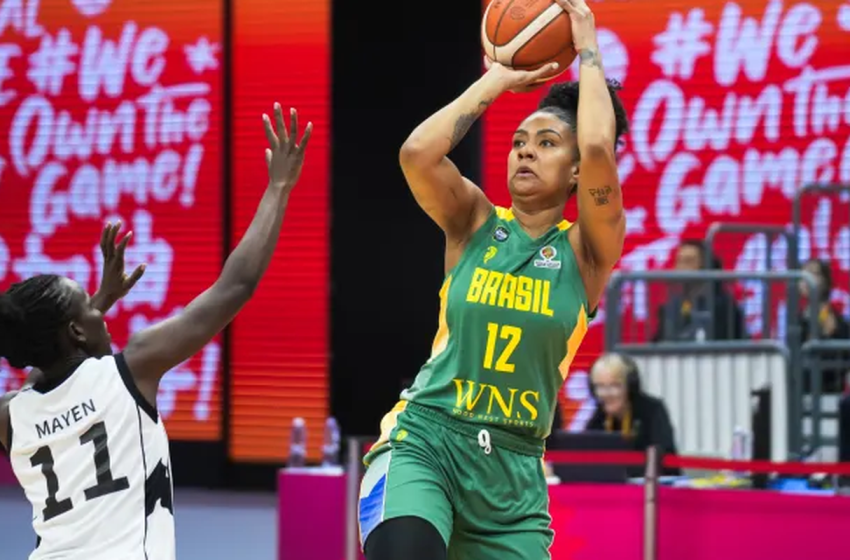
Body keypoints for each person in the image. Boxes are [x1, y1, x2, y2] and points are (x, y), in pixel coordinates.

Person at [357, 1, 629, 558]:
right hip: (426, 441)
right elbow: (417, 154)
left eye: (547, 143)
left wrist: (586, 46)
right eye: (519, 141)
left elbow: (599, 145)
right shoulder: (474, 222)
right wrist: (498, 79)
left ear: (578, 172)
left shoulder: (586, 253)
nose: (526, 150)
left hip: (513, 476)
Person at [0, 103, 312, 560]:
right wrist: (279, 187)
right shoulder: (130, 371)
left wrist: (96, 303)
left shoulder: (11, 414)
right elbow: (235, 287)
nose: (101, 311)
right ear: (76, 332)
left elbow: (41, 372)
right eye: (89, 304)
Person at [584, 353, 680, 477]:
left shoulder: (652, 410)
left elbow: (662, 459)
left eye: (614, 385)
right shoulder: (599, 416)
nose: (606, 394)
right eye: (600, 386)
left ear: (630, 386)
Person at [653, 240, 746, 342]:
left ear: (705, 266)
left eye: (688, 261)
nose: (680, 268)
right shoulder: (675, 304)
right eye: (678, 261)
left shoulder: (722, 306)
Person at [799, 258, 850, 393]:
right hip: (801, 391)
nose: (806, 280)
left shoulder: (834, 320)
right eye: (803, 275)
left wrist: (829, 334)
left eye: (814, 274)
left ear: (826, 281)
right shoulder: (798, 321)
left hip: (827, 392)